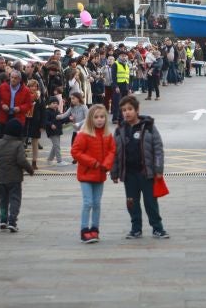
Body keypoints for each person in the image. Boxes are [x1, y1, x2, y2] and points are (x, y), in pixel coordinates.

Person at [111, 95, 167, 239]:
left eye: (130, 109)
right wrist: (114, 173)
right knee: (131, 202)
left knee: (150, 202)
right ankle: (136, 228)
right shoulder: (119, 130)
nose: (127, 113)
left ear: (137, 110)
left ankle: (157, 228)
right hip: (129, 174)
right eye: (124, 110)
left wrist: (159, 169)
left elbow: (158, 149)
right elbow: (115, 153)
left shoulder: (148, 126)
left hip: (146, 173)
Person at [71, 104, 115, 244]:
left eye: (102, 117)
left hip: (100, 174)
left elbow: (112, 151)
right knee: (88, 202)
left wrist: (106, 164)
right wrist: (93, 163)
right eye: (96, 117)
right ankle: (84, 230)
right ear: (90, 119)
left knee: (97, 203)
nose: (99, 120)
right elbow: (75, 152)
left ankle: (95, 229)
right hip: (86, 174)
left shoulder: (108, 135)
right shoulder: (84, 134)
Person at [0, 119, 34, 233]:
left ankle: (3, 220)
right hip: (15, 178)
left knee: (3, 200)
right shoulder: (18, 144)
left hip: (1, 178)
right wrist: (30, 170)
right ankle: (12, 221)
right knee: (15, 199)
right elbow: (21, 160)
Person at [43, 96, 65, 164]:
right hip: (51, 131)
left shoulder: (57, 111)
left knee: (55, 146)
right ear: (49, 104)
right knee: (57, 146)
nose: (55, 104)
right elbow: (45, 121)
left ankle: (49, 160)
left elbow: (61, 120)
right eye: (53, 103)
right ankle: (59, 161)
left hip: (57, 130)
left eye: (56, 103)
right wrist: (51, 124)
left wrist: (69, 119)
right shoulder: (47, 111)